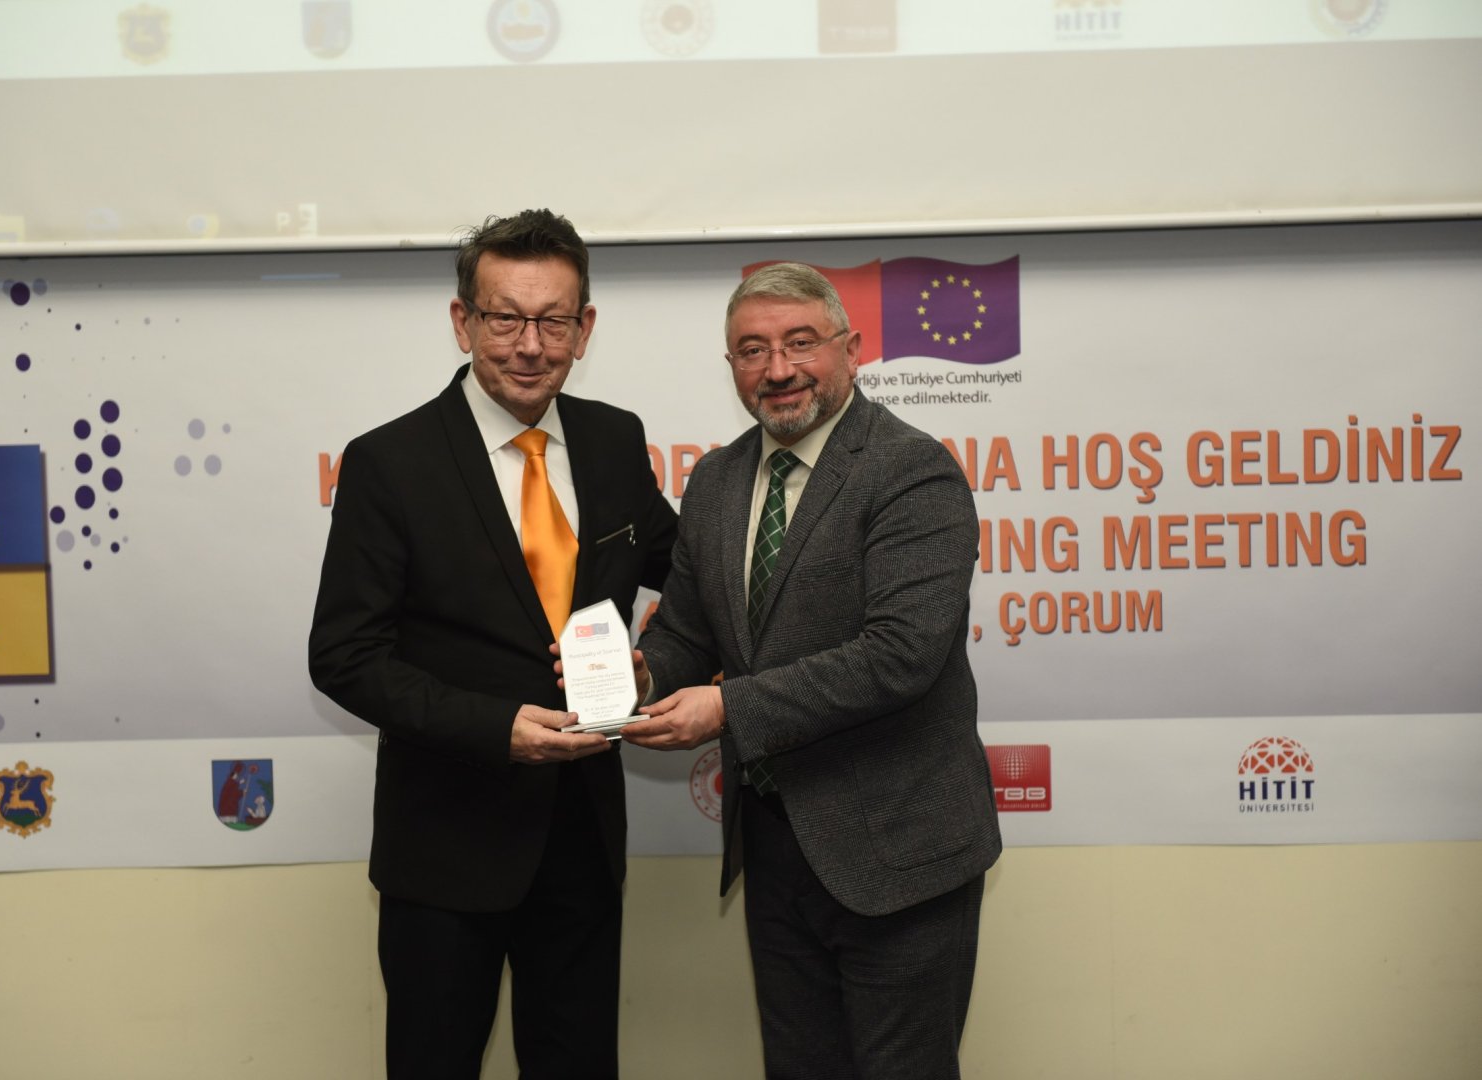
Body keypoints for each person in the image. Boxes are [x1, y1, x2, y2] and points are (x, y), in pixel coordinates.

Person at [308, 208, 678, 1079]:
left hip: (583, 842)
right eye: (505, 318)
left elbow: (688, 574)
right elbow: (344, 655)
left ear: (584, 328)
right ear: (462, 320)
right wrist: (493, 728)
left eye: (553, 320)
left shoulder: (614, 439)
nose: (529, 345)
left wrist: (658, 663)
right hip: (446, 847)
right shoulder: (390, 462)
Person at [621, 262, 1002, 1079]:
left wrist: (728, 711)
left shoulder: (910, 469)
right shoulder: (717, 480)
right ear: (731, 365)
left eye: (801, 343)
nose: (778, 368)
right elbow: (688, 629)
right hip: (775, 845)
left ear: (851, 349)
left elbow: (900, 656)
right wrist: (641, 677)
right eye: (752, 350)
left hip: (899, 850)